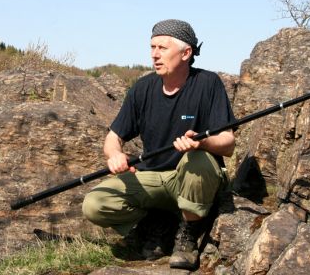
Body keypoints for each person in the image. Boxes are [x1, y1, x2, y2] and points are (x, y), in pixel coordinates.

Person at [82, 19, 236, 270]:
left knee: (198, 161)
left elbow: (228, 143)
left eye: (162, 48)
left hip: (191, 177)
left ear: (186, 53)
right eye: (152, 47)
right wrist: (114, 155)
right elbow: (114, 137)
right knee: (95, 204)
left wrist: (202, 142)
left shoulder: (208, 84)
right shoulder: (142, 88)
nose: (154, 55)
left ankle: (188, 232)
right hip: (152, 178)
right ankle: (156, 219)